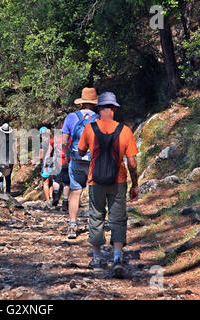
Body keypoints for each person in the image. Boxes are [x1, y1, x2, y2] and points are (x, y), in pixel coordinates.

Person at [77, 92, 139, 278]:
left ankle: (97, 259)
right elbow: (133, 164)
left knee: (96, 216)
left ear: (98, 108)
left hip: (95, 181)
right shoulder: (125, 130)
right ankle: (118, 258)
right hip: (118, 181)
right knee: (118, 219)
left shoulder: (89, 128)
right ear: (114, 108)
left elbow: (80, 152)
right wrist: (135, 185)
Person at [62, 87, 99, 239]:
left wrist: (68, 157)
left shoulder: (71, 117)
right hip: (93, 162)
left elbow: (64, 141)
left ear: (82, 102)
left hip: (76, 160)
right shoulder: (99, 118)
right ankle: (95, 226)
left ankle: (72, 225)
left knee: (75, 193)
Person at [44, 121, 70, 210]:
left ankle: (55, 198)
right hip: (67, 162)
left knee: (56, 180)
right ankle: (65, 202)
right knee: (66, 183)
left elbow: (49, 151)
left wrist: (45, 162)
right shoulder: (69, 138)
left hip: (56, 163)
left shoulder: (53, 139)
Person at [39, 127, 53, 203]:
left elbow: (41, 156)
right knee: (51, 181)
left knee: (45, 182)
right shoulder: (52, 141)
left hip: (46, 164)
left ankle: (48, 200)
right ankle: (51, 197)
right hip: (54, 163)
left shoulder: (42, 144)